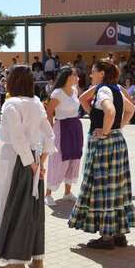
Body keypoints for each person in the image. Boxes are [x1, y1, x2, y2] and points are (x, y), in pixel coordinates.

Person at [0, 65, 55, 268]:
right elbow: (50, 136)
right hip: (32, 157)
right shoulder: (36, 103)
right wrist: (41, 162)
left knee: (12, 205)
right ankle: (37, 259)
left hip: (16, 160)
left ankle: (15, 264)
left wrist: (32, 164)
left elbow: (17, 138)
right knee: (33, 209)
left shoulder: (10, 104)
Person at [68, 59, 135, 249]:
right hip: (117, 141)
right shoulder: (113, 89)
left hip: (104, 143)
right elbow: (130, 110)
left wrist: (106, 130)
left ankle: (107, 237)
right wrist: (115, 126)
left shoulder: (105, 91)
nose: (90, 75)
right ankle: (119, 234)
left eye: (93, 71)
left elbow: (110, 111)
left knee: (103, 187)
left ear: (101, 73)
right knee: (117, 188)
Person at [45, 67, 84, 205]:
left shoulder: (74, 90)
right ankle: (48, 193)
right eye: (74, 75)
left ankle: (67, 192)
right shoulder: (58, 93)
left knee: (74, 159)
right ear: (67, 76)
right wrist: (49, 131)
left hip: (75, 127)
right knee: (57, 160)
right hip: (61, 128)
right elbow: (49, 112)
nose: (76, 77)